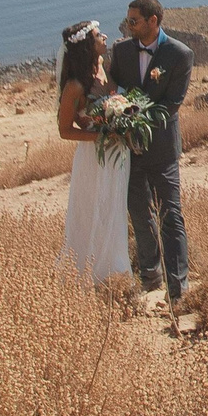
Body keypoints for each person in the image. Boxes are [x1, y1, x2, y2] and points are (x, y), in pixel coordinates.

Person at [110, 0, 192, 307]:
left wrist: (137, 118)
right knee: (139, 213)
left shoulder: (180, 54)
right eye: (128, 20)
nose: (128, 25)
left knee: (170, 214)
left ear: (152, 21)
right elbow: (113, 87)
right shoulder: (120, 51)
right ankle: (150, 276)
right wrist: (111, 111)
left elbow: (172, 104)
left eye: (134, 21)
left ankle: (178, 287)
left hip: (162, 148)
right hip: (128, 150)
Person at [55, 20, 133, 288]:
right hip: (94, 157)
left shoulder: (104, 68)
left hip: (118, 155)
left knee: (115, 208)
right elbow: (65, 130)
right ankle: (90, 274)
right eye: (99, 35)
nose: (105, 37)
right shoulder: (75, 86)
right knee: (93, 212)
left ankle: (115, 269)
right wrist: (102, 135)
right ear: (88, 45)